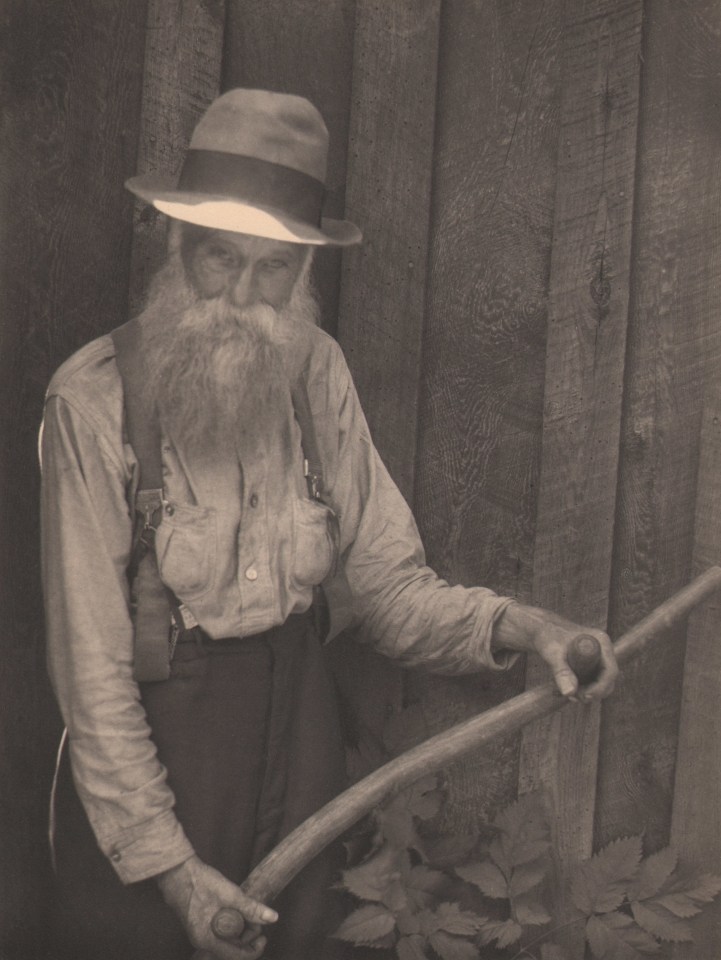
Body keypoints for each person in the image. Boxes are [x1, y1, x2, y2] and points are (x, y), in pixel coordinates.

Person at [40, 88, 618, 960]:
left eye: (272, 267)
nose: (241, 294)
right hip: (151, 772)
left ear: (305, 272)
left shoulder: (316, 372)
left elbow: (389, 588)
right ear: (176, 245)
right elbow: (92, 681)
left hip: (300, 749)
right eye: (219, 260)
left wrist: (524, 627)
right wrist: (172, 870)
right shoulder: (92, 403)